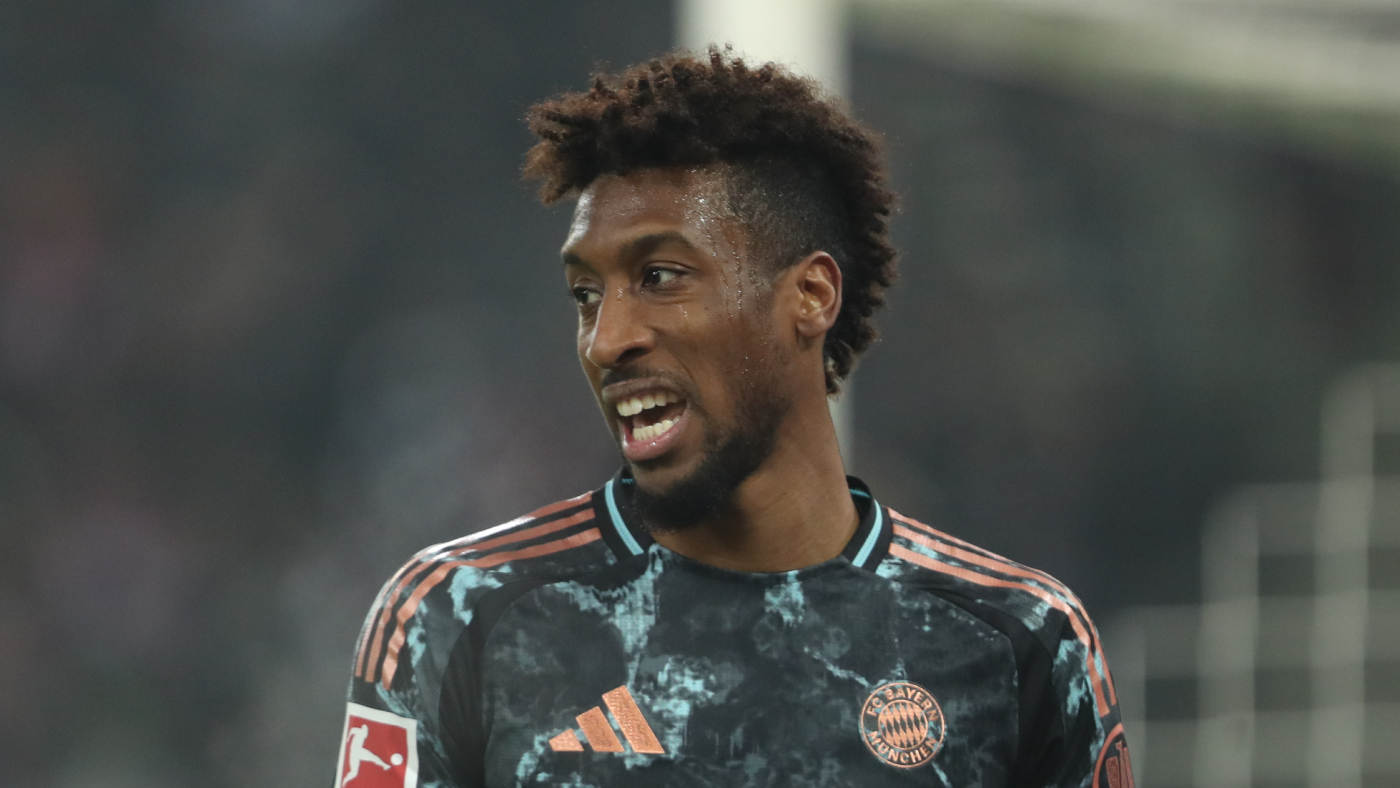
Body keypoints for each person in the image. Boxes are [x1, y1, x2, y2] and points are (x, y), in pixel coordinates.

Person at [338, 48, 1132, 788]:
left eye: (660, 276)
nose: (607, 339)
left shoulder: (1020, 641)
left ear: (811, 297)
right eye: (586, 294)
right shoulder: (459, 615)